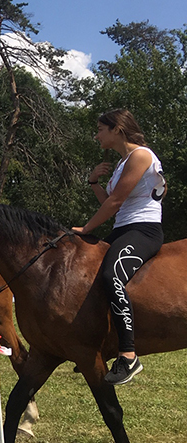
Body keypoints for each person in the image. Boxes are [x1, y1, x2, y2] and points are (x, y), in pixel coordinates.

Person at [72, 109, 165, 386]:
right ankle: (101, 345)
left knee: (112, 277)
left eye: (101, 129)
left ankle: (128, 355)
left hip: (143, 229)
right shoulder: (123, 162)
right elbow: (109, 201)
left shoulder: (141, 155)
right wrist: (93, 182)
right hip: (122, 229)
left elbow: (115, 204)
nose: (97, 135)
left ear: (117, 129)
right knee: (87, 279)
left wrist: (86, 229)